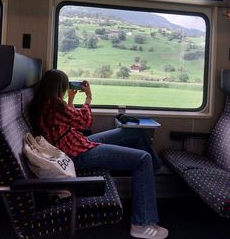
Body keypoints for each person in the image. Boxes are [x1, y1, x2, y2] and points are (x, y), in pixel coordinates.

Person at [30, 69, 169, 239]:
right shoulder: (54, 104)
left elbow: (66, 120)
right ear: (59, 87)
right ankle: (141, 223)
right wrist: (88, 98)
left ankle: (153, 171)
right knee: (142, 159)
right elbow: (84, 121)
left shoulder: (45, 103)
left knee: (135, 133)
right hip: (76, 153)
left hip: (76, 142)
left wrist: (72, 99)